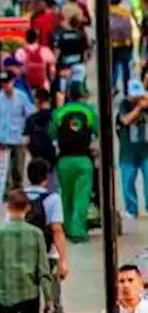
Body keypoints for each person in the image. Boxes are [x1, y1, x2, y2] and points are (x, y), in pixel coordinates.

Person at [23, 158, 76, 313]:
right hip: (48, 257)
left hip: (24, 258)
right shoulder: (52, 199)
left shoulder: (18, 198)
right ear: (46, 178)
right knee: (53, 300)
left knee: (26, 302)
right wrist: (63, 260)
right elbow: (57, 229)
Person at [51, 81, 98, 242]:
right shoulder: (89, 112)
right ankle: (78, 231)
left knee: (66, 196)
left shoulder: (59, 112)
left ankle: (67, 229)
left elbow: (51, 134)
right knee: (82, 196)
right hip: (84, 160)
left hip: (64, 161)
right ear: (83, 94)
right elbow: (98, 133)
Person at [119, 80, 148, 219]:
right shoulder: (123, 106)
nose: (137, 99)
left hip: (145, 150)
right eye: (134, 97)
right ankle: (131, 209)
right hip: (128, 152)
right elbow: (125, 120)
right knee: (128, 181)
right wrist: (138, 109)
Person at [111, 0, 136, 92]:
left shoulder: (105, 12)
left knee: (113, 67)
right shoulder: (125, 13)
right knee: (126, 68)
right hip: (124, 45)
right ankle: (126, 88)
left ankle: (112, 86)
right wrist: (131, 44)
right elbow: (128, 30)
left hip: (111, 46)